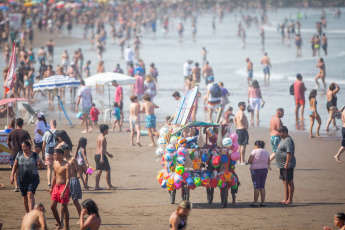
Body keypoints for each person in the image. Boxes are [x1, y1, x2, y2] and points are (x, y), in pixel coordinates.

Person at [10, 141, 44, 213]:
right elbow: (15, 166)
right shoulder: (19, 154)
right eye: (22, 147)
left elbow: (42, 166)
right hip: (22, 178)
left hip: (33, 178)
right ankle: (27, 213)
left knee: (30, 195)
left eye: (24, 147)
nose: (23, 149)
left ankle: (31, 214)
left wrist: (40, 164)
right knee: (25, 196)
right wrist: (12, 176)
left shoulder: (34, 155)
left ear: (29, 147)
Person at [61, 143, 87, 225]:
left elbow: (79, 172)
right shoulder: (62, 160)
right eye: (63, 150)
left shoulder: (72, 159)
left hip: (74, 181)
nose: (65, 151)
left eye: (66, 150)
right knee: (63, 203)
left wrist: (84, 183)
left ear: (68, 150)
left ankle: (81, 219)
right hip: (65, 182)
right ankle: (61, 221)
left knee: (75, 202)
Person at [7, 118, 32, 192]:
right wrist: (28, 149)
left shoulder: (12, 132)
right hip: (23, 153)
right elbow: (30, 142)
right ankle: (22, 185)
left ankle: (16, 186)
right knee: (23, 170)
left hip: (14, 153)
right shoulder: (25, 132)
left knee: (15, 170)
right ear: (22, 124)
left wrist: (11, 149)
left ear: (16, 124)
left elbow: (8, 142)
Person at [50, 148, 70, 230]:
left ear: (61, 154)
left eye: (56, 155)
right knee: (52, 206)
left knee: (64, 207)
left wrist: (64, 191)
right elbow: (54, 176)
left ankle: (67, 227)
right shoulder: (54, 163)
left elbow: (68, 179)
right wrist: (51, 187)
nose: (54, 156)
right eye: (54, 155)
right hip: (56, 187)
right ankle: (59, 224)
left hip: (64, 187)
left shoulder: (67, 165)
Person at [275, 126, 296, 205]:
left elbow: (289, 153)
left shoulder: (288, 140)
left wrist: (287, 164)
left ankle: (290, 200)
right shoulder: (282, 139)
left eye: (280, 133)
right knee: (285, 182)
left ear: (284, 132)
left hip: (288, 165)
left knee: (289, 181)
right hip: (282, 165)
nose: (279, 134)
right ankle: (286, 198)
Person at [248, 140, 270, 207]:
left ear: (256, 146)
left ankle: (255, 202)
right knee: (262, 186)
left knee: (256, 187)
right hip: (264, 170)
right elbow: (268, 161)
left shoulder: (254, 151)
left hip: (256, 171)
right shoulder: (266, 152)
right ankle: (263, 202)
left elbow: (250, 161)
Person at [94, 125, 116, 190]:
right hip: (101, 156)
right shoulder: (103, 138)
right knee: (107, 170)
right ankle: (109, 185)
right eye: (107, 130)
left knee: (99, 171)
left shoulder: (98, 137)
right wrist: (102, 157)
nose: (108, 131)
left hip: (96, 155)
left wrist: (108, 154)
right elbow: (102, 148)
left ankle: (96, 186)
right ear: (104, 130)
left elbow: (100, 148)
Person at [42, 119, 58, 190]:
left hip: (48, 153)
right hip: (56, 153)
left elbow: (43, 145)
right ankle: (56, 183)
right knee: (56, 168)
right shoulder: (59, 132)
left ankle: (49, 184)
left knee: (49, 169)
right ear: (56, 124)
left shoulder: (46, 133)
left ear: (50, 124)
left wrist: (43, 154)